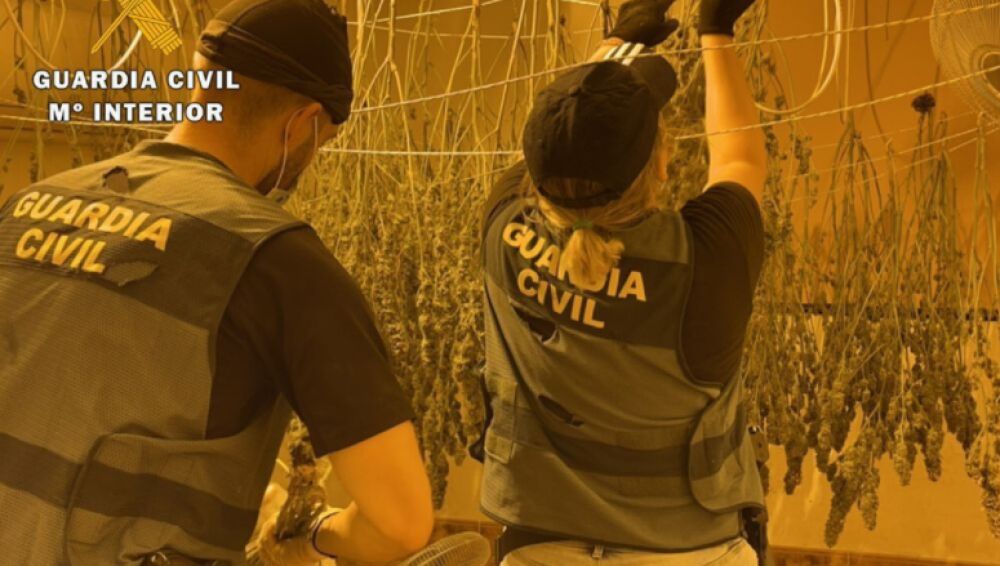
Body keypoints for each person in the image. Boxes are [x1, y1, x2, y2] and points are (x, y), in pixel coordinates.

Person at [0, 0, 433, 564]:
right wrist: (313, 534)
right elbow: (400, 525)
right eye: (320, 142)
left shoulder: (26, 207)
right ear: (301, 123)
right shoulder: (276, 259)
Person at [475, 0, 768, 564]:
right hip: (690, 552)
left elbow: (558, 140)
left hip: (540, 547)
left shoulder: (503, 226)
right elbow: (739, 161)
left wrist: (620, 43)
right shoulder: (702, 263)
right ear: (661, 164)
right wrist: (716, 31)